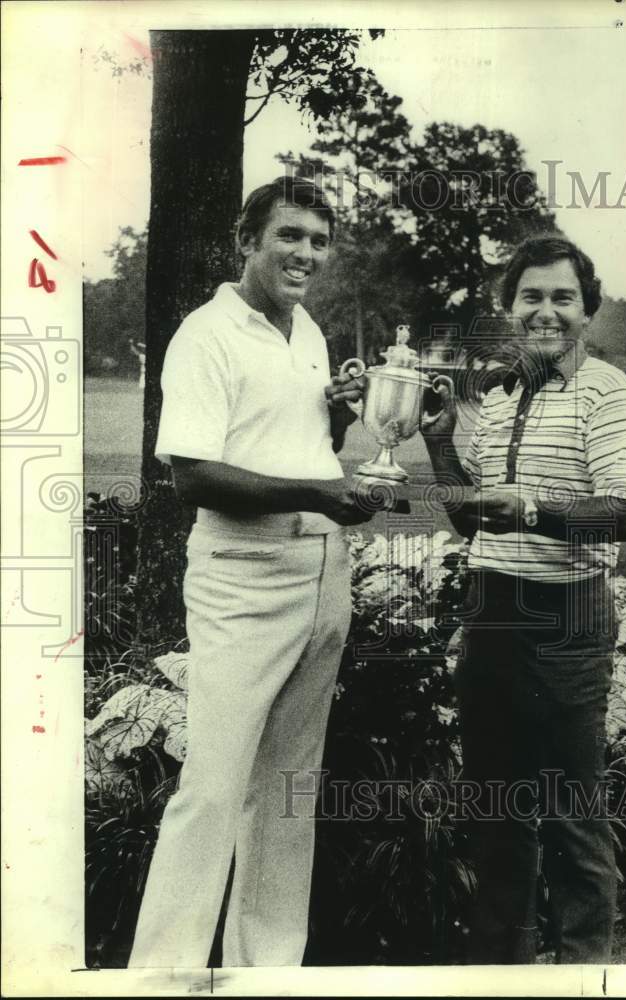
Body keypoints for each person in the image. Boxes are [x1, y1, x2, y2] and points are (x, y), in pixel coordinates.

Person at [128, 176, 372, 968]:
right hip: (242, 579)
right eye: (289, 236)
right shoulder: (206, 334)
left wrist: (334, 412)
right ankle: (162, 978)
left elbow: (305, 450)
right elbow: (192, 477)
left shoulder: (307, 331)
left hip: (321, 573)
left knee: (290, 790)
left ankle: (266, 973)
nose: (305, 253)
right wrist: (318, 490)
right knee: (213, 788)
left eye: (318, 241)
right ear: (248, 240)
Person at [420, 233, 626, 964]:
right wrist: (437, 444)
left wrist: (527, 508)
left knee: (571, 815)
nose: (546, 312)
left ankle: (585, 974)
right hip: (493, 612)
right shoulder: (498, 393)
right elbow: (471, 517)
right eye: (532, 297)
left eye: (563, 298)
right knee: (497, 815)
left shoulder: (609, 391)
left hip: (565, 617)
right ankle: (503, 973)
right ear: (508, 306)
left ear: (587, 310)